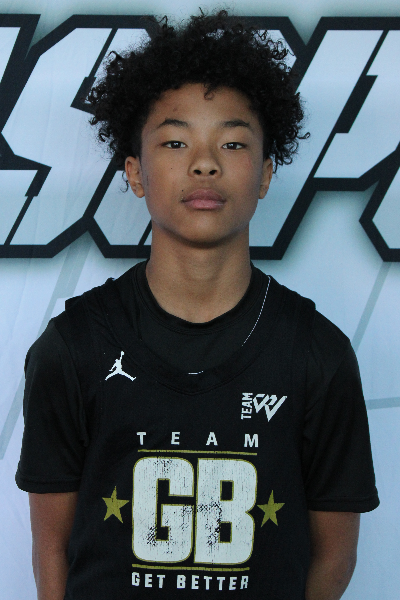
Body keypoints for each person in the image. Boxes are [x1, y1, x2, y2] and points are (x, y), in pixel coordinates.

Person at [16, 9, 379, 600]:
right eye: (175, 141)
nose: (204, 162)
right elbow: (51, 551)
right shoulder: (73, 346)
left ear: (265, 174)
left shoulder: (317, 353)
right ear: (135, 173)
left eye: (232, 142)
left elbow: (335, 553)